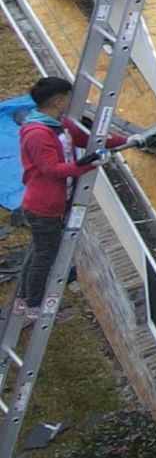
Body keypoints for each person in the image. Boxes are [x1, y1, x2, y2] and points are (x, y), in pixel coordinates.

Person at [14, 77, 91, 317]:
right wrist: (88, 165)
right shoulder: (38, 134)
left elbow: (87, 140)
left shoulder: (60, 124)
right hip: (43, 207)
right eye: (68, 97)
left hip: (50, 204)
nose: (71, 101)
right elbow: (51, 170)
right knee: (45, 255)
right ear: (58, 101)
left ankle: (23, 299)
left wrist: (124, 143)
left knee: (38, 251)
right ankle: (34, 305)